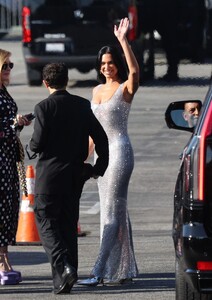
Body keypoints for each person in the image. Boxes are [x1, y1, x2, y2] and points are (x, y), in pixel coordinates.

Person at [29, 62, 109, 294]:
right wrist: (97, 168)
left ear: (46, 83)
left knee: (45, 221)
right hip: (75, 174)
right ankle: (65, 277)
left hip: (50, 177)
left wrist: (30, 145)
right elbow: (101, 138)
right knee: (67, 224)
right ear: (66, 80)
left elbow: (39, 142)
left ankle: (63, 265)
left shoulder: (43, 108)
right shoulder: (82, 105)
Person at [78, 17, 139, 286]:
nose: (107, 68)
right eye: (103, 65)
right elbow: (93, 130)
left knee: (112, 213)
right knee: (112, 211)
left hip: (119, 153)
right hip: (102, 156)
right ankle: (123, 269)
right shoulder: (97, 89)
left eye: (111, 63)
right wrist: (84, 157)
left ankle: (99, 271)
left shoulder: (125, 88)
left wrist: (123, 41)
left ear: (118, 65)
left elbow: (135, 73)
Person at [0, 48, 31, 284]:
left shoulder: (4, 92)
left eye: (10, 65)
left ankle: (5, 259)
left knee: (9, 210)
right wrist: (12, 124)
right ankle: (2, 263)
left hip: (8, 160)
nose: (9, 69)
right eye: (5, 66)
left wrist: (18, 123)